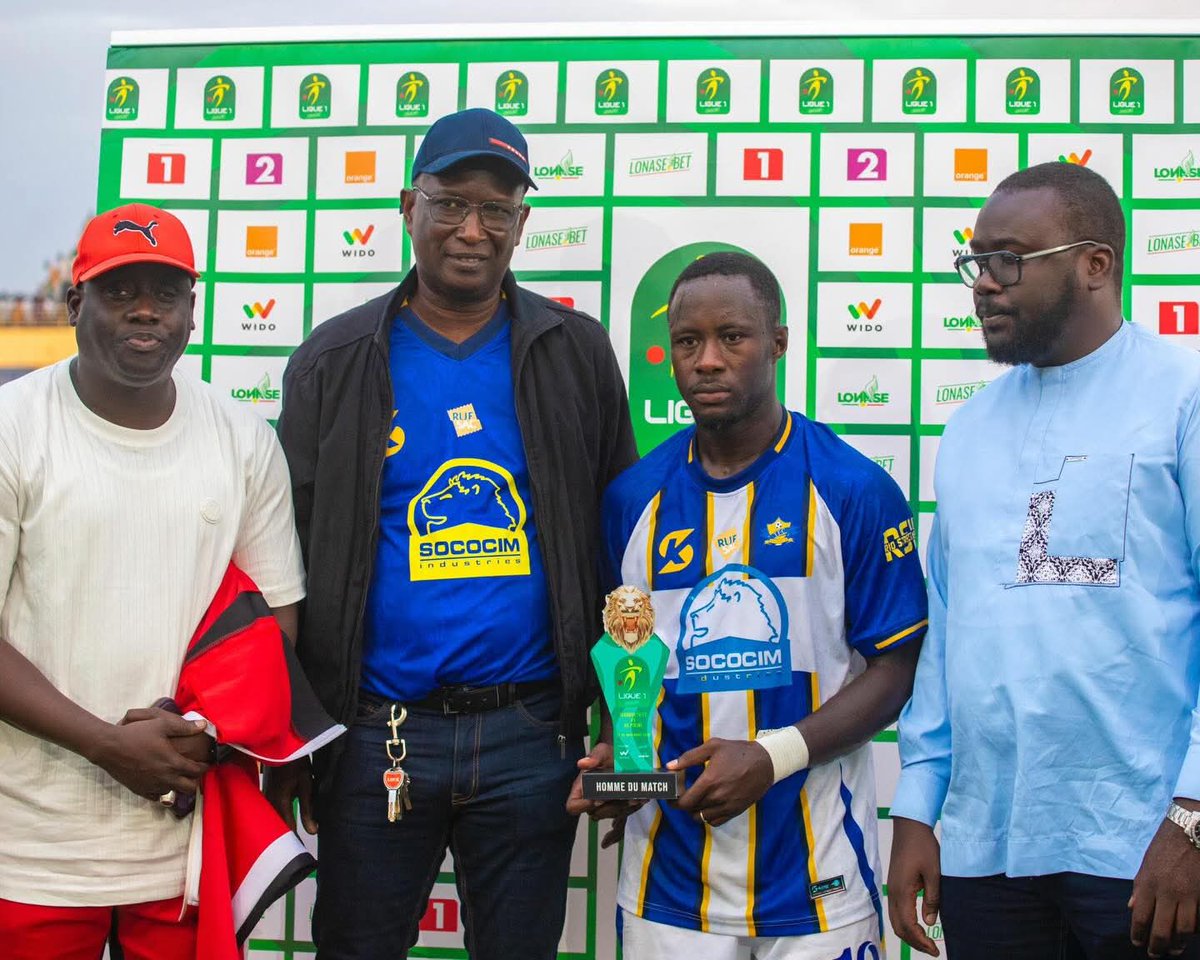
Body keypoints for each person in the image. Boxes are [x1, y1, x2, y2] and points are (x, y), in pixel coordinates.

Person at [267, 107, 637, 959]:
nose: (473, 230)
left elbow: (622, 552)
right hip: (374, 738)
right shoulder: (335, 359)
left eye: (497, 211)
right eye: (450, 204)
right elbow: (280, 558)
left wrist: (628, 713)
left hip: (530, 737)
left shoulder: (575, 352)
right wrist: (296, 734)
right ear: (408, 206)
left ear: (522, 224)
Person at [574, 251, 928, 959]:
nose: (706, 360)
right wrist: (625, 758)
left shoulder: (852, 490)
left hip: (818, 876)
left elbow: (897, 671)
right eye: (686, 342)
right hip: (666, 882)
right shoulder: (630, 501)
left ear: (778, 343)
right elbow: (629, 659)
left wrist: (774, 756)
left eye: (731, 337)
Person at [888, 161, 1200, 960]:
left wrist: (1194, 817)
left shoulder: (1183, 395)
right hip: (989, 845)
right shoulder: (969, 429)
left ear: (1095, 264)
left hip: (1146, 842)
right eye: (975, 262)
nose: (984, 284)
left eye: (1008, 259)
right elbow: (949, 636)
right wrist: (919, 808)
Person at [0, 202, 305, 959]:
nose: (145, 311)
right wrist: (108, 744)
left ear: (191, 313)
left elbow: (271, 627)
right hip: (29, 850)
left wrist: (198, 733)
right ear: (75, 304)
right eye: (120, 290)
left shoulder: (241, 439)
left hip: (184, 840)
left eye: (165, 294)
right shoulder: (14, 427)